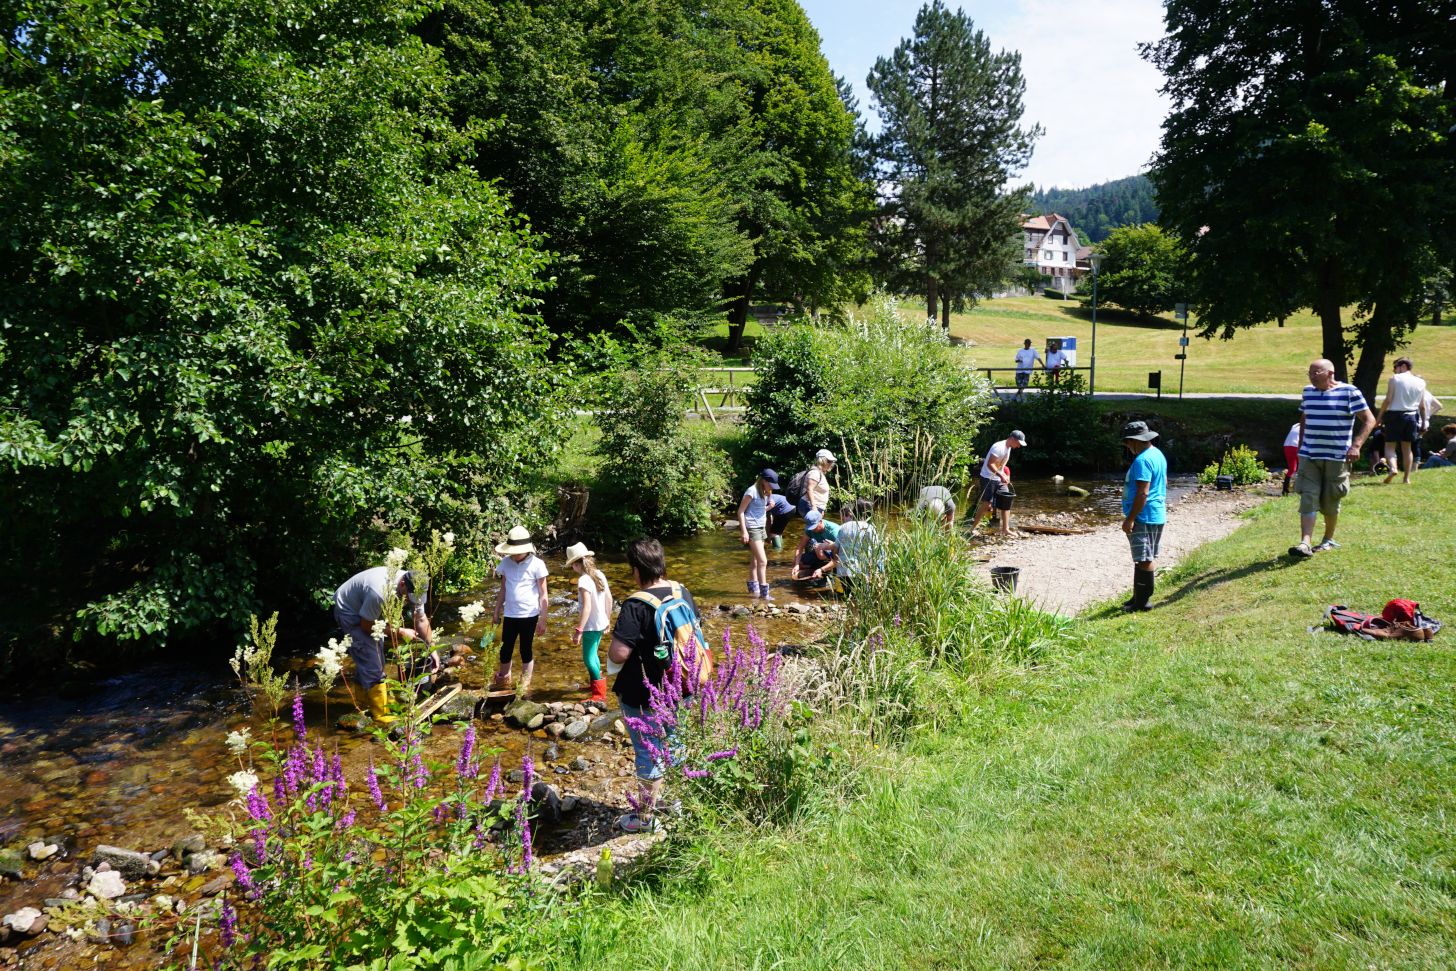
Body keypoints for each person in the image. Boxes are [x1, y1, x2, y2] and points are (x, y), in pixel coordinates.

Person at [607, 537, 702, 834]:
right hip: (683, 685)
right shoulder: (681, 591)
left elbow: (618, 654)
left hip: (643, 693)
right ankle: (675, 801)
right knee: (676, 743)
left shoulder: (636, 604)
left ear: (636, 569)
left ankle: (644, 818)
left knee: (649, 751)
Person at [1290, 359, 1376, 558]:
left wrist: (1356, 446)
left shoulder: (1349, 392)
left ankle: (1328, 539)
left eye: (1316, 372)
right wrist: (1301, 445)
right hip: (1309, 455)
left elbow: (1370, 419)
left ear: (1330, 373)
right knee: (1308, 496)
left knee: (1330, 499)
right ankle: (1305, 543)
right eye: (1309, 372)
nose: (1311, 376)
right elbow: (1304, 418)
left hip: (1337, 456)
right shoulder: (1308, 392)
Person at [333, 565, 432, 726]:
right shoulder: (379, 592)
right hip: (349, 609)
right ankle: (381, 715)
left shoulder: (416, 585)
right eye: (409, 596)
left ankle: (364, 702)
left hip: (368, 609)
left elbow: (420, 619)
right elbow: (366, 625)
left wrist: (431, 648)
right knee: (372, 660)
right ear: (402, 585)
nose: (411, 601)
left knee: (374, 657)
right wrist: (399, 631)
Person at [490, 526, 549, 695]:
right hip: (510, 613)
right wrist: (496, 611)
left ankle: (524, 683)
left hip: (529, 614)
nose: (514, 555)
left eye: (518, 551)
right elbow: (503, 590)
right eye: (512, 551)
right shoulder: (505, 563)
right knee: (505, 648)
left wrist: (543, 619)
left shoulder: (537, 564)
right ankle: (503, 680)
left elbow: (544, 594)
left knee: (525, 649)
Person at [1119, 421, 1167, 612]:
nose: (1127, 447)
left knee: (1144, 558)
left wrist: (1130, 518)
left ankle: (1143, 603)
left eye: (1128, 443)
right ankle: (1138, 597)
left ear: (1135, 441)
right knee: (1142, 557)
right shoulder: (1157, 454)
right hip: (1155, 513)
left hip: (1143, 516)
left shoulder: (1142, 460)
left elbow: (1142, 493)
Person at [565, 542, 614, 703]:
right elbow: (609, 598)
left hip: (591, 626)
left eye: (572, 565)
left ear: (576, 564)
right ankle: (595, 682)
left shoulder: (584, 580)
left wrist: (579, 630)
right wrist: (608, 619)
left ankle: (599, 694)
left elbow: (587, 607)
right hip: (600, 623)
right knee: (594, 655)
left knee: (588, 658)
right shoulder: (599, 574)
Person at [1375, 356, 1428, 484]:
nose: (1394, 371)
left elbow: (1388, 400)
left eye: (1395, 367)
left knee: (1389, 446)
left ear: (1403, 366)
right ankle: (1406, 479)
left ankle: (1393, 468)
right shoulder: (1421, 382)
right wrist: (1424, 421)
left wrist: (1379, 417)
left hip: (1394, 415)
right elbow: (1422, 406)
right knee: (1407, 447)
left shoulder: (1395, 379)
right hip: (1411, 416)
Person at [971, 430, 1027, 537]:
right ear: (1012, 439)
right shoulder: (998, 447)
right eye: (1018, 443)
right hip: (988, 477)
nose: (1019, 446)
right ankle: (972, 528)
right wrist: (1001, 475)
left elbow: (1001, 464)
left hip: (998, 478)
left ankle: (1005, 529)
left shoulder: (1009, 447)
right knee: (986, 504)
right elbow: (990, 464)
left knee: (1006, 500)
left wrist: (1004, 475)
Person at [737, 468, 779, 599]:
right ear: (764, 481)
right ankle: (764, 593)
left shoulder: (764, 492)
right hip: (752, 529)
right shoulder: (752, 491)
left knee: (755, 560)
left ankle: (753, 591)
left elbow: (758, 511)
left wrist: (768, 508)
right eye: (770, 484)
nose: (772, 487)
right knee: (763, 561)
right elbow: (740, 512)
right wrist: (744, 532)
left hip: (761, 528)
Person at [829, 499, 879, 596]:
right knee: (861, 597)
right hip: (861, 572)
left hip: (844, 572)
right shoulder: (869, 528)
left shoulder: (844, 527)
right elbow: (876, 551)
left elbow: (835, 549)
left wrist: (836, 565)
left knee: (848, 597)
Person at [790, 508, 840, 586]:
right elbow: (800, 547)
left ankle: (828, 575)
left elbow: (839, 559)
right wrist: (796, 564)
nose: (812, 530)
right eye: (810, 527)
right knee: (798, 562)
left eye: (814, 527)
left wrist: (822, 569)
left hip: (835, 556)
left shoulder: (834, 531)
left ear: (820, 521)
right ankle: (814, 571)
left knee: (819, 552)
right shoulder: (810, 530)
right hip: (821, 552)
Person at [798, 449, 836, 516]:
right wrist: (814, 507)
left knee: (816, 526)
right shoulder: (815, 473)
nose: (831, 464)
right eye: (829, 461)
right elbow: (809, 489)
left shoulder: (819, 473)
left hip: (816, 506)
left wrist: (822, 508)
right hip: (810, 506)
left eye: (832, 461)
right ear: (822, 461)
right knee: (814, 526)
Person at [1282, 421, 1301, 495]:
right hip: (1295, 446)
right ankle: (1296, 489)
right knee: (1301, 467)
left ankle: (1285, 490)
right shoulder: (1306, 426)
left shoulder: (1295, 425)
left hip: (1287, 446)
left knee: (1292, 469)